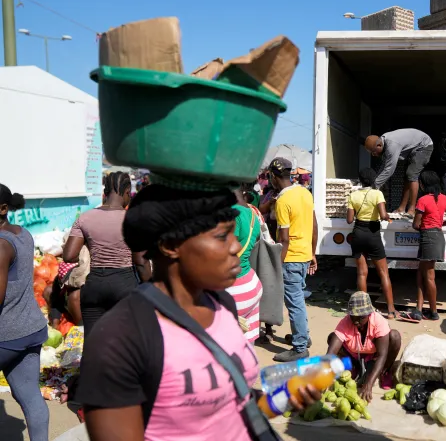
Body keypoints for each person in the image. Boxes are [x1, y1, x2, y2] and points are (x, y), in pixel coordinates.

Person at [74, 184, 319, 440]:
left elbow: (230, 407)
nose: (236, 247)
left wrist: (283, 397)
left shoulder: (222, 304)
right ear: (171, 245)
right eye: (223, 236)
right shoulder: (119, 337)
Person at [62, 172, 151, 336]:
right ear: (126, 192)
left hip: (94, 286)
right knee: (125, 343)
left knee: (94, 342)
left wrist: (92, 247)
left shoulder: (85, 218)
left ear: (105, 192)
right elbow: (140, 261)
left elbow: (68, 256)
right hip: (125, 286)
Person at [0, 184, 49, 441]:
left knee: (28, 395)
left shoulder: (1, 244)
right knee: (30, 396)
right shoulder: (23, 233)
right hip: (31, 328)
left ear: (3, 209)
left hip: (6, 334)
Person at [270, 157, 319, 362]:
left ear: (273, 176)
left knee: (294, 302)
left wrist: (276, 265)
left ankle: (299, 347)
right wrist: (313, 253)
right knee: (298, 298)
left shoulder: (282, 201)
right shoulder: (304, 192)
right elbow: (314, 225)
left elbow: (283, 239)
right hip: (304, 254)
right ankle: (303, 337)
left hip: (290, 258)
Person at [326, 292, 401, 402]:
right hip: (353, 354)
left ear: (369, 314)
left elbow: (382, 355)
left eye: (361, 318)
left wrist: (369, 384)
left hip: (374, 355)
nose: (356, 321)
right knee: (332, 337)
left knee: (395, 336)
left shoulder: (378, 321)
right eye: (353, 316)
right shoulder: (346, 322)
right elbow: (330, 354)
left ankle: (384, 372)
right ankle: (353, 367)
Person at [347, 168, 396, 318]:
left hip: (358, 233)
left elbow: (349, 220)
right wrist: (387, 216)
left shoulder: (353, 195)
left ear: (360, 179)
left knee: (362, 273)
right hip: (373, 234)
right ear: (374, 179)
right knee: (383, 273)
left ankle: (364, 310)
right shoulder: (377, 193)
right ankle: (391, 311)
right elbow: (382, 215)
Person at [411, 171, 446, 321]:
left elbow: (416, 224)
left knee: (429, 276)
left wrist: (426, 226)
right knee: (421, 272)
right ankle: (419, 308)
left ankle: (433, 311)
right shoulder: (444, 199)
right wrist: (439, 224)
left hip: (428, 237)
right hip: (438, 236)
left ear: (424, 185)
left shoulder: (423, 200)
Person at [363, 128, 435, 215]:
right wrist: (374, 182)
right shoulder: (383, 142)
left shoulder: (391, 145)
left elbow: (389, 169)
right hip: (413, 148)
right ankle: (402, 208)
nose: (373, 155)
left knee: (412, 174)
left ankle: (412, 209)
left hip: (423, 146)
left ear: (379, 146)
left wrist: (375, 186)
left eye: (373, 152)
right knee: (407, 177)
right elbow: (384, 166)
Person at [226, 187, 263, 344]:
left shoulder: (232, 214)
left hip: (234, 289)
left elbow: (227, 248)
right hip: (250, 283)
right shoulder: (253, 214)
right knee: (247, 342)